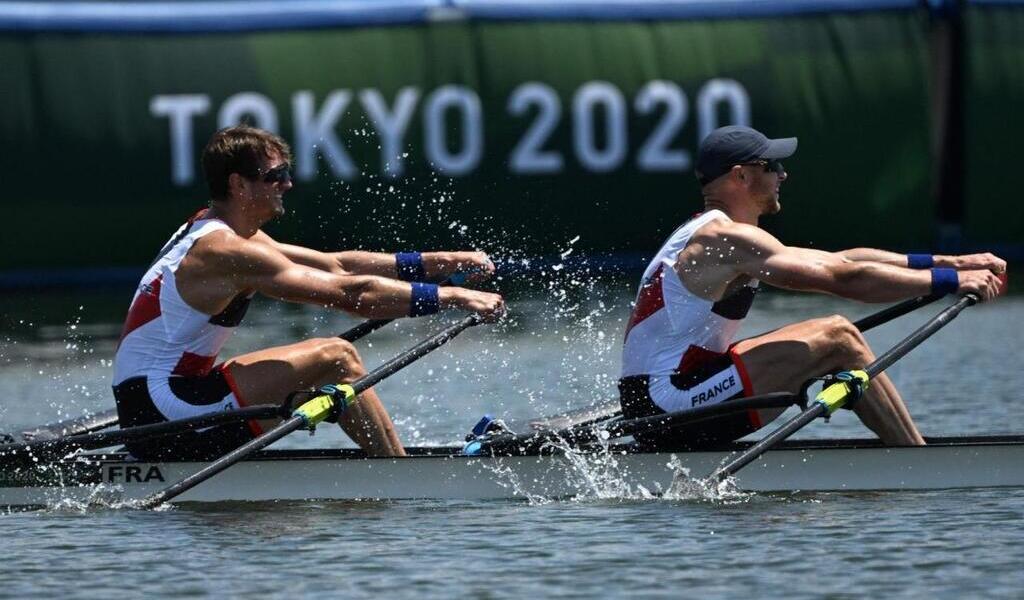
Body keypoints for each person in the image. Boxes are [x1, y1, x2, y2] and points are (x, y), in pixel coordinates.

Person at [112, 125, 504, 460]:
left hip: (165, 400)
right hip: (162, 414)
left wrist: (444, 261)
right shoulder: (223, 251)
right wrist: (456, 298)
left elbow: (336, 266)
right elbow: (354, 297)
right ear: (238, 184)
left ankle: (389, 465)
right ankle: (400, 478)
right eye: (275, 175)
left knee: (325, 364)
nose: (288, 183)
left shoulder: (223, 230)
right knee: (337, 357)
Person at [619, 125, 1006, 450]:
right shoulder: (722, 238)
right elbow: (842, 279)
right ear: (740, 176)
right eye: (772, 165)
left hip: (665, 396)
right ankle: (918, 464)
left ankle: (910, 452)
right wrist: (952, 283)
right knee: (839, 338)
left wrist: (950, 263)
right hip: (666, 407)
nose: (782, 176)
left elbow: (844, 260)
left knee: (838, 337)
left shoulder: (721, 234)